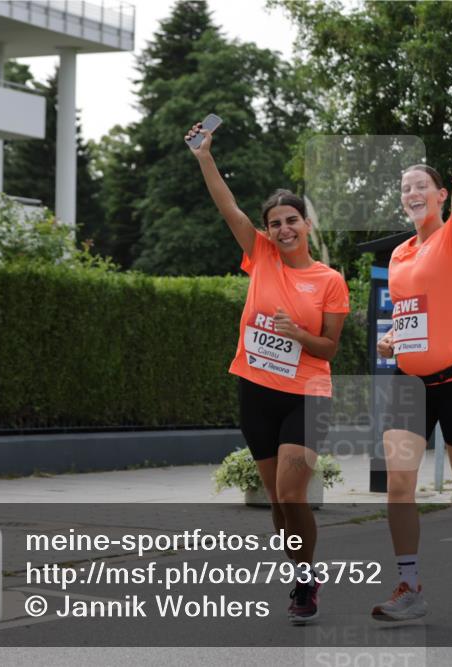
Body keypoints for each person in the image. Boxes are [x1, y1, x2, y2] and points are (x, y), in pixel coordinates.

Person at [186, 120, 350, 625]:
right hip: (256, 390)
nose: (282, 229)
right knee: (278, 504)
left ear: (306, 224)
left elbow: (330, 348)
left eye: (291, 220)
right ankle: (302, 573)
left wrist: (297, 336)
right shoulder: (258, 255)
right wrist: (204, 156)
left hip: (307, 392)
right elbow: (227, 207)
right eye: (275, 222)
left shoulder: (329, 280)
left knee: (295, 494)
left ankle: (305, 582)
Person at [371, 94, 452, 621]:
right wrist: (392, 340)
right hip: (409, 381)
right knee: (399, 483)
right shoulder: (400, 253)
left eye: (420, 185)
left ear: (442, 194)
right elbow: (411, 317)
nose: (411, 192)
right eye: (405, 188)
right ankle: (409, 586)